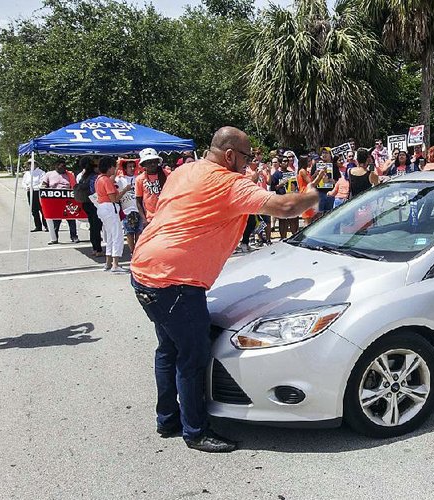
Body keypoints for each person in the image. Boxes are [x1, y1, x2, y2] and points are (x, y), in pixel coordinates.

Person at [130, 126, 321, 453]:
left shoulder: (183, 171)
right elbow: (286, 208)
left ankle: (168, 419)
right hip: (176, 281)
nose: (248, 166)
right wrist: (311, 196)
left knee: (168, 350)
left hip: (144, 269)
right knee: (192, 358)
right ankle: (196, 431)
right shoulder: (229, 182)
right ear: (230, 155)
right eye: (246, 158)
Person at [95, 156, 130, 272]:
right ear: (109, 168)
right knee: (117, 236)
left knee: (110, 235)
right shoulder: (106, 180)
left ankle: (108, 262)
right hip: (110, 207)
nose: (115, 169)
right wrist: (124, 190)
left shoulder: (99, 179)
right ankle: (115, 264)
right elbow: (114, 198)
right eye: (114, 167)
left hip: (102, 208)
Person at [40, 159, 79, 244]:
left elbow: (74, 186)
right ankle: (54, 238)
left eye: (65, 166)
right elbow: (43, 186)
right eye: (62, 166)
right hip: (55, 201)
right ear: (56, 166)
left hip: (68, 200)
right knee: (56, 220)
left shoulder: (70, 175)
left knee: (71, 219)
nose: (64, 168)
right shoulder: (49, 174)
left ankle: (74, 236)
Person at [76, 157, 104, 256]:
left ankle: (95, 248)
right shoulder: (94, 177)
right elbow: (95, 191)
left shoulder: (82, 176)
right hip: (94, 204)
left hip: (85, 203)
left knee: (92, 226)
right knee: (96, 227)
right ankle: (98, 249)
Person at [115, 160, 143, 253]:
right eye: (129, 167)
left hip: (139, 208)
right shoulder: (120, 180)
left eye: (133, 166)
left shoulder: (138, 178)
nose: (132, 169)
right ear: (125, 169)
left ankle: (138, 250)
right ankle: (132, 251)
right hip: (127, 209)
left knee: (139, 231)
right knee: (129, 232)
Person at [135, 148, 168, 224]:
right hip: (150, 218)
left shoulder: (166, 174)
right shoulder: (140, 179)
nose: (152, 164)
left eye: (154, 161)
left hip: (166, 215)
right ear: (144, 164)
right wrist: (144, 219)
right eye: (149, 162)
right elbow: (138, 201)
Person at [297, 155, 326, 223]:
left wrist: (315, 174)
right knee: (308, 219)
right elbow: (311, 184)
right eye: (309, 161)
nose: (310, 163)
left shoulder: (305, 171)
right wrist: (320, 175)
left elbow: (310, 180)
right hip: (305, 194)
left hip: (308, 194)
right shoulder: (302, 171)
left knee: (311, 217)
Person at [22, 159, 46, 232]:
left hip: (38, 192)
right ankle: (38, 226)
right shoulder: (27, 173)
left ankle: (46, 225)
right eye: (29, 164)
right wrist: (27, 187)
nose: (31, 165)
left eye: (32, 164)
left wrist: (35, 187)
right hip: (30, 192)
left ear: (36, 164)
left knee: (42, 209)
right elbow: (23, 182)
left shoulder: (41, 172)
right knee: (34, 210)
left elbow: (42, 183)